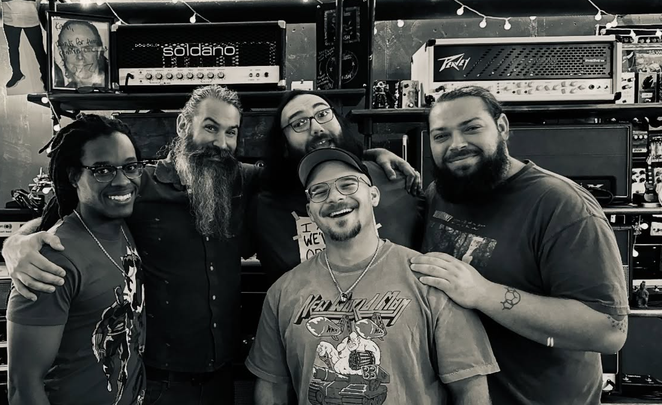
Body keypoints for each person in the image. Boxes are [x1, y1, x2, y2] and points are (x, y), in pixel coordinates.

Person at [1, 85, 416, 405]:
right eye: (211, 128)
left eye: (231, 132)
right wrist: (16, 242)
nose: (221, 143)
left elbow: (305, 166)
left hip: (222, 377)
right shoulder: (139, 184)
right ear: (184, 127)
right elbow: (69, 213)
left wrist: (373, 155)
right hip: (157, 381)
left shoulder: (244, 180)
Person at [410, 86, 630, 405]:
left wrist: (483, 293)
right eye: (441, 135)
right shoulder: (441, 193)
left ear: (502, 127)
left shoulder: (562, 205)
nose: (456, 144)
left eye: (471, 128)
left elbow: (609, 331)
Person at [246, 147, 499, 404]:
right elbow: (272, 390)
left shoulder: (429, 278)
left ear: (374, 195)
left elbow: (470, 390)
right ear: (311, 212)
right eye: (319, 191)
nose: (335, 197)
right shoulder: (282, 292)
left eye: (348, 184)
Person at [6, 114, 146, 405]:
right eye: (102, 170)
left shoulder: (121, 223)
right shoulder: (52, 262)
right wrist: (12, 245)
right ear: (72, 176)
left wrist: (14, 238)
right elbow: (23, 387)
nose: (122, 180)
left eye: (130, 167)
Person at [249, 90, 424, 284]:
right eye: (299, 123)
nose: (316, 128)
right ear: (283, 144)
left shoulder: (396, 182)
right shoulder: (263, 208)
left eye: (323, 113)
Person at [1, 0, 47, 88]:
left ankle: (46, 75)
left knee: (38, 49)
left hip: (29, 14)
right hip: (9, 16)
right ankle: (16, 73)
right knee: (13, 48)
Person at [54, 20, 109, 89]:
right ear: (61, 54)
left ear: (98, 51)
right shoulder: (64, 93)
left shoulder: (115, 86)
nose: (80, 57)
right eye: (72, 50)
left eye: (87, 49)